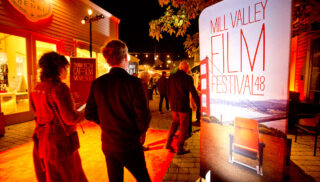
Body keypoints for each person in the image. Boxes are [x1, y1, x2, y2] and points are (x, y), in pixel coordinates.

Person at [85, 40, 151, 182]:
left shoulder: (98, 83)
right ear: (126, 57)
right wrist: (140, 131)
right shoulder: (134, 83)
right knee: (143, 178)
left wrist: (106, 122)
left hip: (108, 144)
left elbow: (89, 113)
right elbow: (143, 115)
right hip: (129, 144)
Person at [30, 52, 87, 182]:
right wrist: (84, 113)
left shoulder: (36, 88)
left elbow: (36, 112)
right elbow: (69, 118)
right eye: (66, 68)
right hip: (59, 143)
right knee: (67, 175)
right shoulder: (59, 88)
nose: (66, 71)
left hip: (41, 140)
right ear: (59, 69)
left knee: (49, 175)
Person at [164, 61, 200, 155]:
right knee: (183, 126)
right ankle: (180, 148)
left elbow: (167, 91)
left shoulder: (171, 77)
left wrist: (170, 103)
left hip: (174, 106)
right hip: (183, 106)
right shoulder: (188, 78)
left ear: (180, 67)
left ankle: (168, 143)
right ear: (186, 68)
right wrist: (199, 104)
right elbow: (193, 92)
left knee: (174, 123)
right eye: (188, 68)